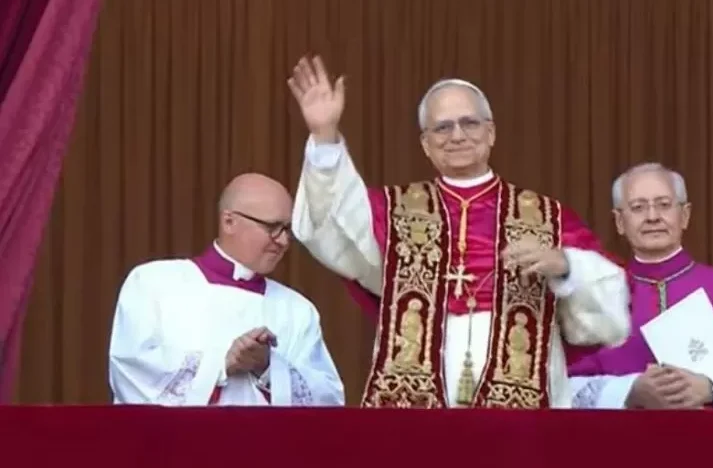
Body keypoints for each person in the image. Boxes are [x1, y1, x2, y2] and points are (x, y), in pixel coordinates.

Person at [288, 55, 630, 409]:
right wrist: (324, 135)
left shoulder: (547, 217)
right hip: (416, 396)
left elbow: (609, 314)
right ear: (425, 143)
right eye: (442, 127)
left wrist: (566, 265)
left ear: (491, 132)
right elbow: (332, 229)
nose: (457, 136)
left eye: (469, 123)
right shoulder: (393, 212)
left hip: (525, 399)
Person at [568, 163, 713, 410]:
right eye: (638, 207)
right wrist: (629, 390)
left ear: (685, 215)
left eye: (664, 204)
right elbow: (560, 390)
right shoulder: (595, 298)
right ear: (619, 222)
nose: (652, 217)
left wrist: (711, 388)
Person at [108, 173, 345, 406]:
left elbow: (328, 400)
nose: (283, 241)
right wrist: (221, 363)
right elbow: (131, 370)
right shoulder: (153, 283)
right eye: (273, 227)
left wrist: (268, 367)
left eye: (287, 230)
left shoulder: (298, 310)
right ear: (229, 221)